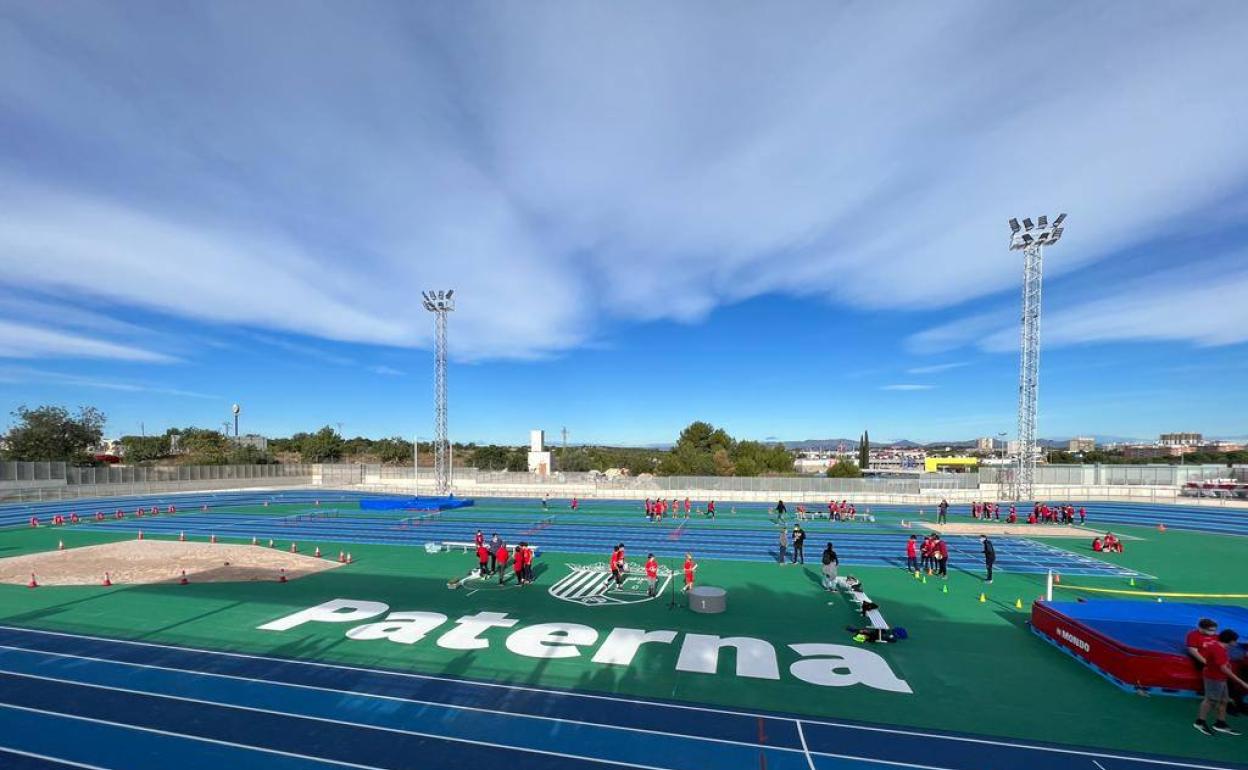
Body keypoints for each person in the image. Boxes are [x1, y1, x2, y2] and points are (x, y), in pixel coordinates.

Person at [1194, 630, 1247, 736]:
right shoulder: (1219, 650)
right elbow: (1223, 668)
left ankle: (1220, 723)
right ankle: (1200, 722)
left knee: (1223, 700)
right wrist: (1241, 682)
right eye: (1235, 641)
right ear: (1230, 641)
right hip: (1214, 678)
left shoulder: (1218, 646)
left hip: (1220, 678)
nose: (1236, 643)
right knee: (1210, 700)